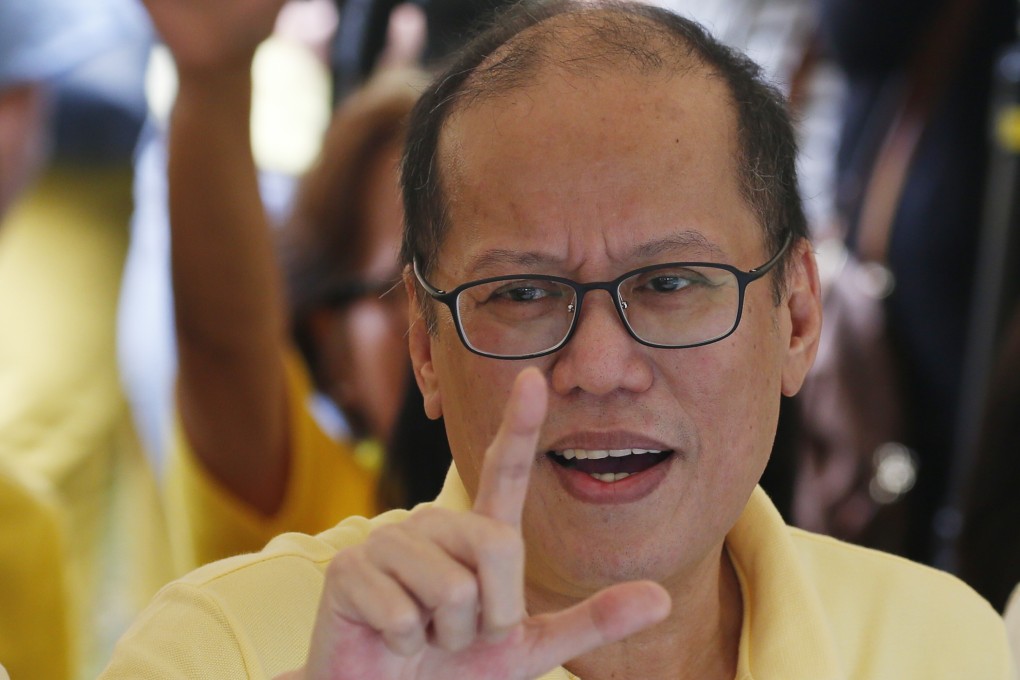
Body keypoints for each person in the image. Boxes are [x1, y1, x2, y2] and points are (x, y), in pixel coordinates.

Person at [102, 1, 1013, 677]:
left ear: (798, 317)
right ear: (426, 344)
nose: (600, 367)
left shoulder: (943, 646)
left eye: (669, 284)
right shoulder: (229, 649)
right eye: (524, 293)